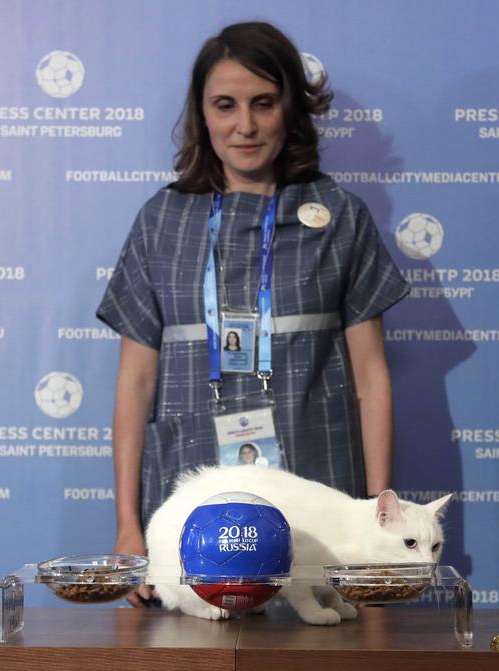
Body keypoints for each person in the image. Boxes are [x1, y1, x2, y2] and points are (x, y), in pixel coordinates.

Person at [98, 21, 409, 605]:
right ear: (202, 114)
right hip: (187, 508)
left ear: (290, 109)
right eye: (225, 105)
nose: (245, 125)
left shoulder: (339, 217)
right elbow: (135, 382)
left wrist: (377, 519)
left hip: (320, 507)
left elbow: (371, 380)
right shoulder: (160, 221)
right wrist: (127, 527)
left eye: (263, 104)